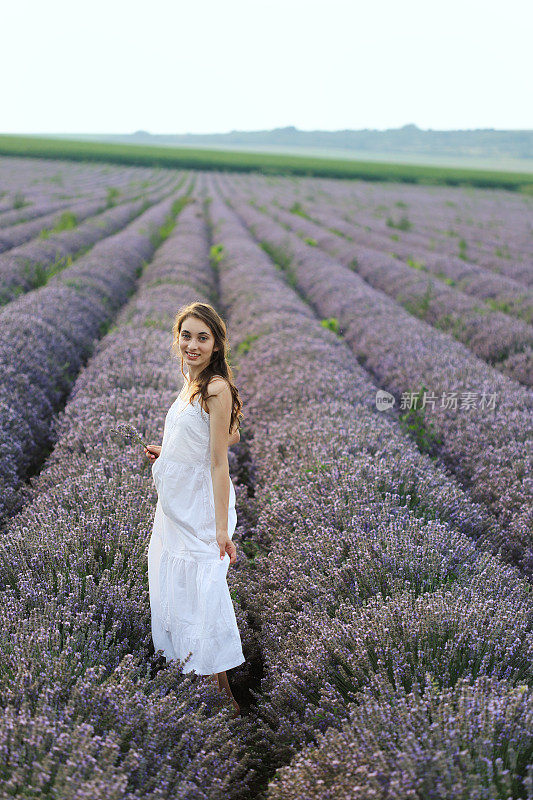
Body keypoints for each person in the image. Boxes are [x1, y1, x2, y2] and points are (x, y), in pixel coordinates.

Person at [144, 301, 245, 717]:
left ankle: (227, 705)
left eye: (202, 337)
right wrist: (171, 454)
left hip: (201, 511)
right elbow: (224, 437)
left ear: (216, 344)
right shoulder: (192, 382)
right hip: (176, 508)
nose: (192, 344)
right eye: (186, 335)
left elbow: (221, 460)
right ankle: (218, 701)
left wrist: (222, 530)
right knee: (188, 599)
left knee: (201, 598)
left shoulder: (216, 387)